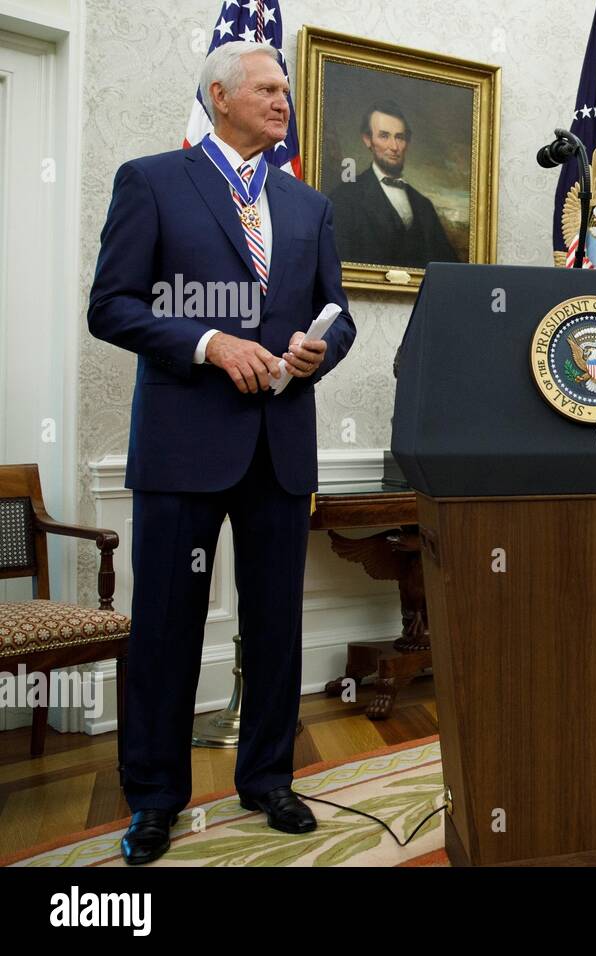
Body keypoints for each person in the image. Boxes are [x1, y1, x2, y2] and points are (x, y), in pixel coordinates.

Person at [87, 40, 356, 863]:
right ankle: (155, 798)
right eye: (269, 89)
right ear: (220, 95)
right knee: (168, 626)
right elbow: (112, 307)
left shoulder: (307, 205)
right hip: (183, 447)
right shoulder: (153, 181)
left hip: (282, 446)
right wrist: (209, 341)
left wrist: (320, 349)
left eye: (287, 91)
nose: (284, 102)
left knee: (276, 624)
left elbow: (336, 310)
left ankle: (269, 778)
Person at [329, 100, 460, 268]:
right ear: (367, 140)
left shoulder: (423, 206)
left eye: (400, 137)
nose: (394, 146)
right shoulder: (345, 198)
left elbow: (448, 270)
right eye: (384, 136)